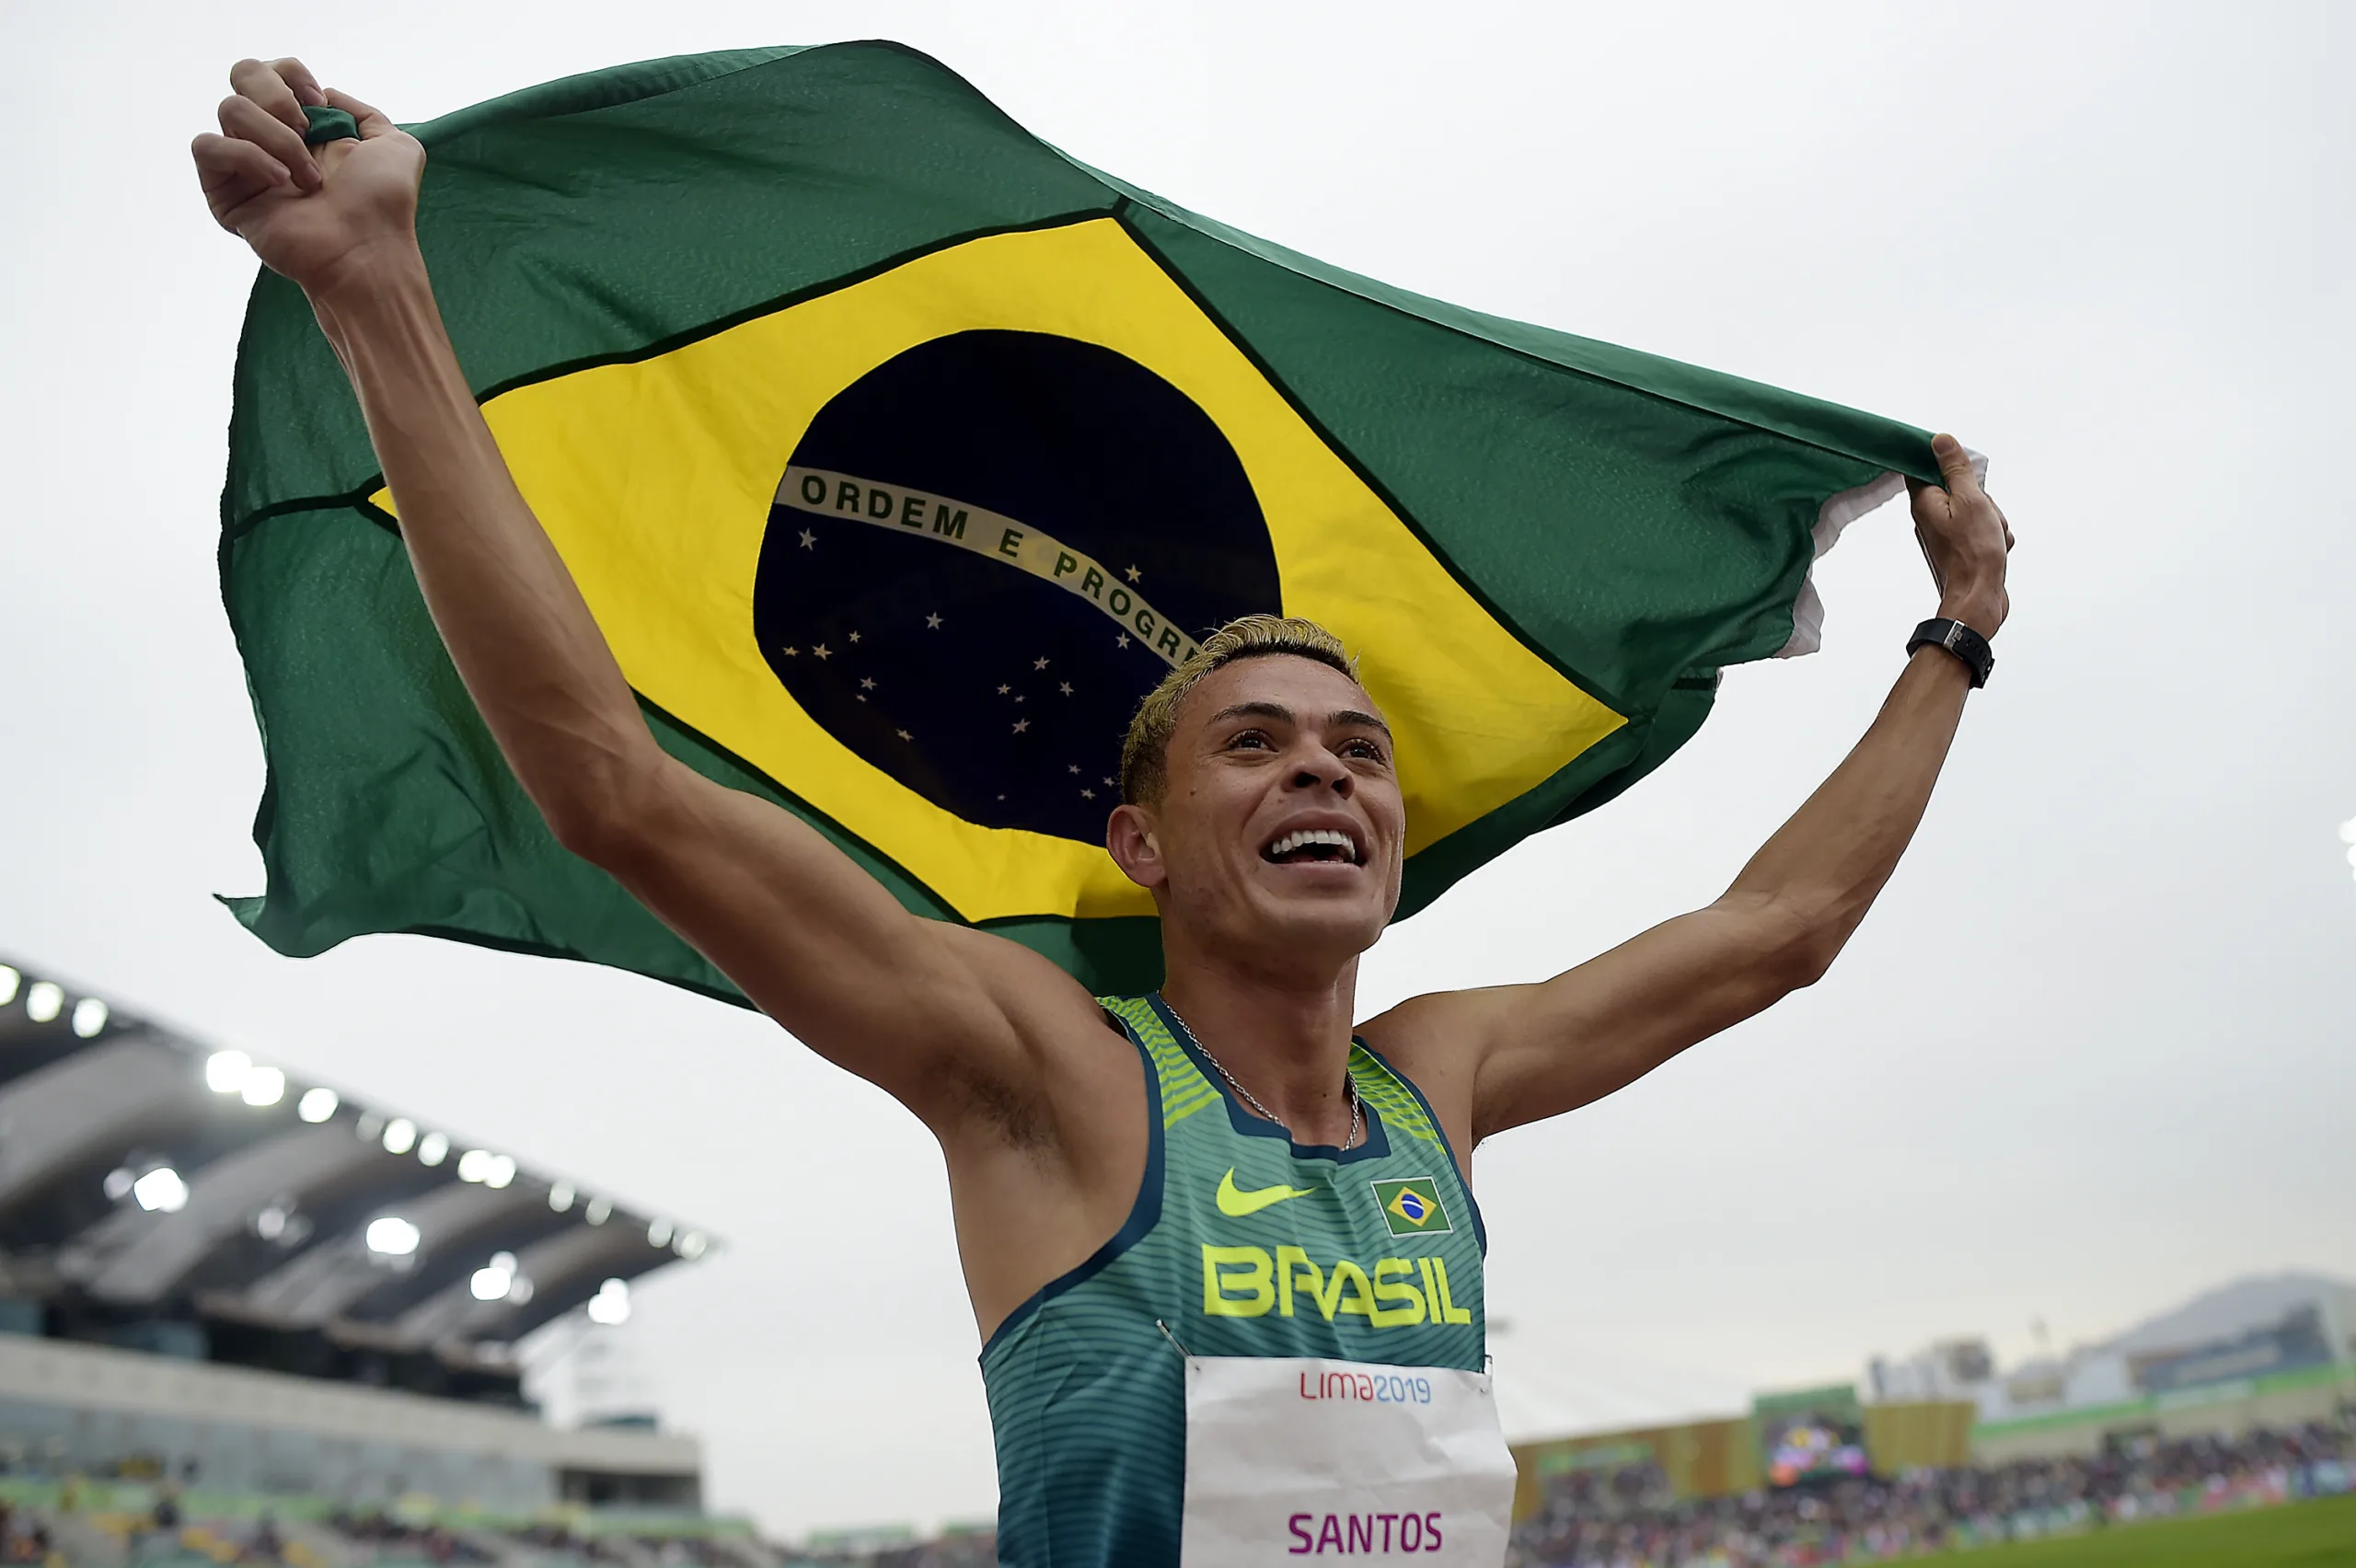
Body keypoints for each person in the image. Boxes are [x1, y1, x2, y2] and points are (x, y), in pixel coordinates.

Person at [191, 57, 2013, 1568]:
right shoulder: (1046, 1075)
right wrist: (379, 297)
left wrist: (1948, 638)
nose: (1322, 769)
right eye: (1255, 745)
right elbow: (613, 791)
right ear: (1136, 842)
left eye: (1357, 752)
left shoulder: (1435, 1078)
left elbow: (1771, 940)